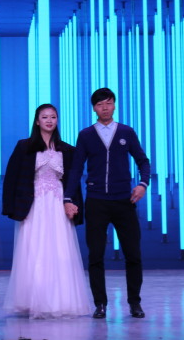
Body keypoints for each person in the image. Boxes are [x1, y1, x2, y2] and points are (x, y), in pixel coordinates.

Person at [64, 87, 151, 320]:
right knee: (96, 256)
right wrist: (68, 198)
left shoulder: (126, 132)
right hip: (96, 202)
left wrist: (143, 184)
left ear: (114, 105)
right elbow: (76, 169)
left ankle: (135, 303)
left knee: (133, 254)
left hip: (124, 201)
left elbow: (143, 161)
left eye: (109, 103)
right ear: (94, 108)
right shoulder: (86, 135)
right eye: (100, 104)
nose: (105, 107)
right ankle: (100, 304)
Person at [1, 103, 90, 319]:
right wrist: (10, 207)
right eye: (44, 117)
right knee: (33, 249)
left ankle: (60, 300)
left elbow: (74, 182)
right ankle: (32, 300)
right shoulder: (24, 146)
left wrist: (74, 204)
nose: (49, 121)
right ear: (37, 121)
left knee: (60, 250)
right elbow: (11, 177)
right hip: (33, 205)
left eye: (53, 117)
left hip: (58, 204)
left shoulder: (67, 150)